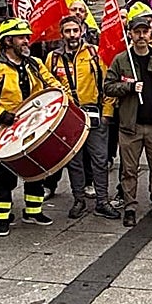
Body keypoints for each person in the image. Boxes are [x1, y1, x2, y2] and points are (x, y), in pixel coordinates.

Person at [0, 18, 65, 236]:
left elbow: (53, 84)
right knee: (4, 174)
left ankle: (33, 211)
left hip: (33, 124)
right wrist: (1, 113)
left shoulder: (34, 63)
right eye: (21, 37)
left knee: (36, 170)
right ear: (7, 41)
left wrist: (62, 99)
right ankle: (2, 218)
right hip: (3, 126)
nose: (26, 41)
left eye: (27, 37)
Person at [104, 12, 152, 226]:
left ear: (151, 34)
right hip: (130, 126)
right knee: (128, 170)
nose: (141, 36)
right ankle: (130, 206)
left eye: (145, 31)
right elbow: (108, 86)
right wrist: (128, 87)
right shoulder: (121, 60)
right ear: (130, 34)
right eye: (137, 32)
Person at [49, 15, 119, 221]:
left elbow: (108, 85)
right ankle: (78, 199)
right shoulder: (53, 58)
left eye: (75, 30)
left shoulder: (94, 53)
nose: (72, 35)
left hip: (95, 115)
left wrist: (107, 113)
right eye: (67, 31)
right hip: (69, 118)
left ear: (82, 31)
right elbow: (48, 87)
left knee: (99, 159)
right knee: (75, 161)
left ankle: (102, 201)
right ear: (61, 34)